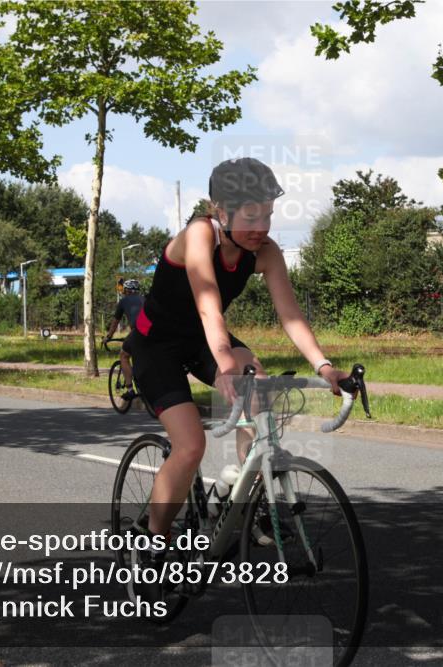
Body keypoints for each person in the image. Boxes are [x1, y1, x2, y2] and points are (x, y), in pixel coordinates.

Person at [124, 157, 351, 601]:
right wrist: (225, 361)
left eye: (266, 214)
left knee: (259, 384)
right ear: (220, 211)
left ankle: (250, 493)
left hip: (205, 340)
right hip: (157, 347)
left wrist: (325, 367)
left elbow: (290, 315)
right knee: (190, 445)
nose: (260, 226)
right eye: (250, 215)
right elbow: (208, 302)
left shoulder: (264, 253)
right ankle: (151, 541)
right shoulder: (198, 235)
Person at [102, 278, 144, 395]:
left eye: (124, 291)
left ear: (127, 291)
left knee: (124, 356)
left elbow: (115, 322)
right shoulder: (144, 299)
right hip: (151, 332)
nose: (124, 293)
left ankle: (130, 389)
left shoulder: (124, 301)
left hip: (138, 331)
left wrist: (108, 336)